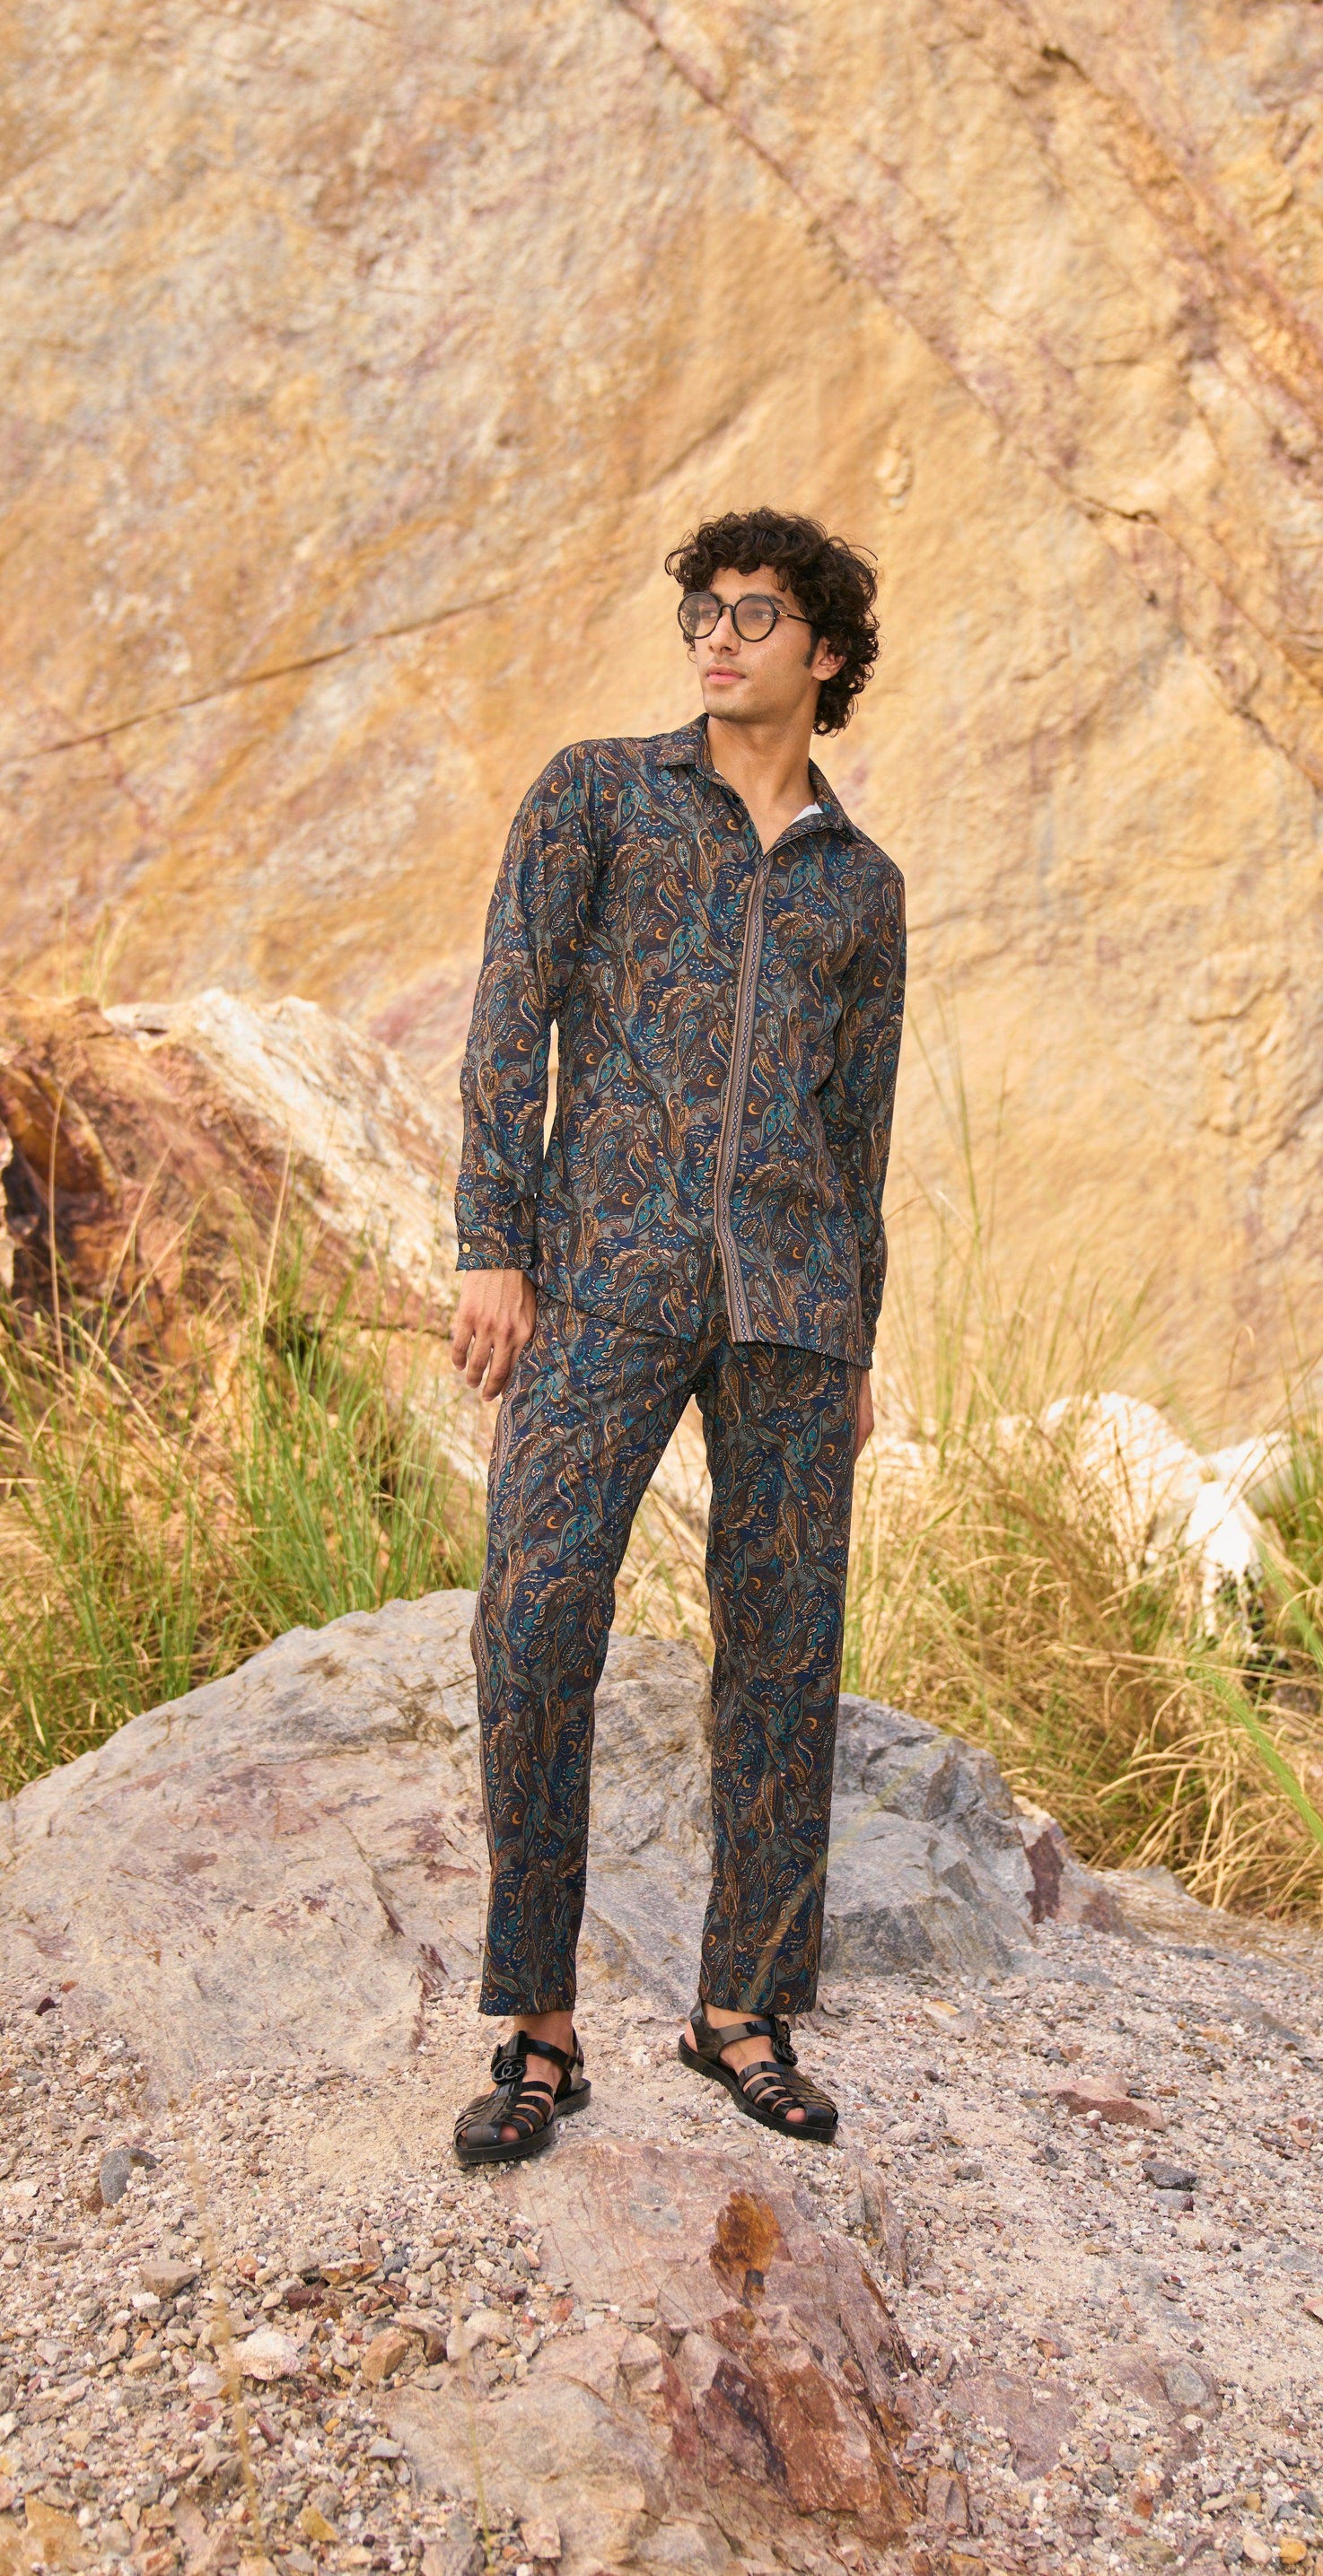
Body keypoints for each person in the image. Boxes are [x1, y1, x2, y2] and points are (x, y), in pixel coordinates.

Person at [447, 507, 905, 2164]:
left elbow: (858, 1131)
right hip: (604, 1280)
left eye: (754, 614)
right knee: (537, 1616)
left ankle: (743, 2013)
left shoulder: (861, 886)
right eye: (702, 610)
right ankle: (538, 2026)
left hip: (792, 1310)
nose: (716, 636)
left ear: (825, 653)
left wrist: (855, 1338)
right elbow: (512, 1011)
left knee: (783, 1654)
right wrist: (494, 1243)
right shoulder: (597, 794)